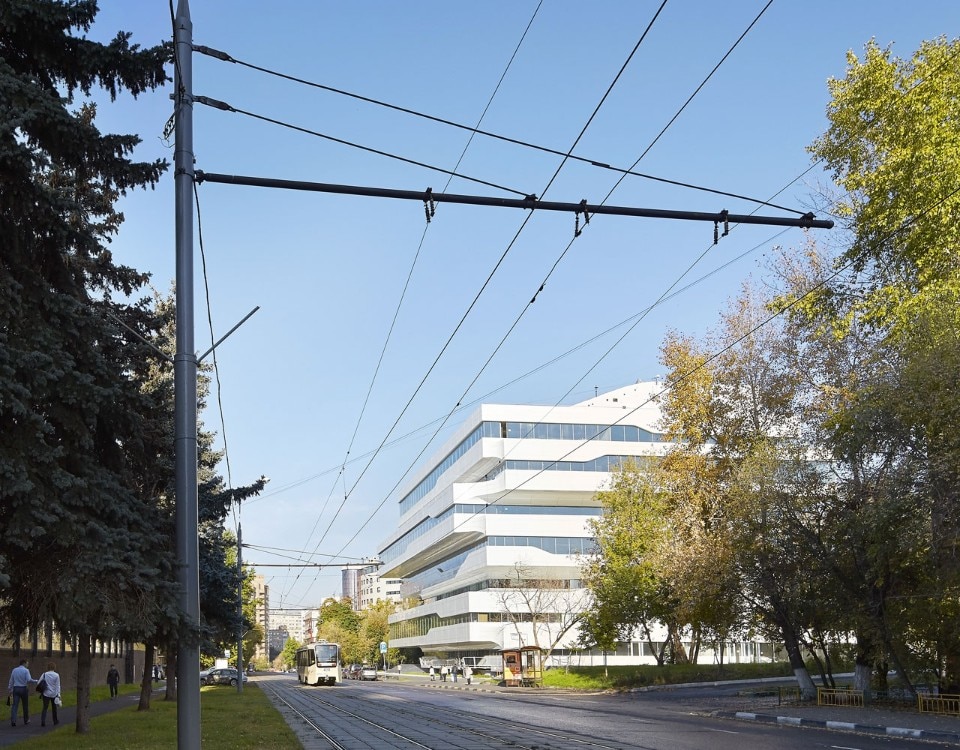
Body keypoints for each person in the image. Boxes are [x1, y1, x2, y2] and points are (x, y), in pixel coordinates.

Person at [7, 658, 37, 727]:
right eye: (27, 663)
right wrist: (36, 681)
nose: (28, 664)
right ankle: (26, 720)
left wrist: (10, 689)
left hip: (16, 688)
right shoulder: (26, 670)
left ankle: (13, 721)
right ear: (24, 663)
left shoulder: (14, 670)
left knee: (14, 706)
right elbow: (29, 680)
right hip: (24, 688)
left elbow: (11, 680)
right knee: (25, 705)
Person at [38, 661, 60, 727]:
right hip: (54, 694)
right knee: (54, 708)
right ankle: (55, 721)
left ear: (48, 667)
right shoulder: (57, 675)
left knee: (45, 707)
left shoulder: (44, 674)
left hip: (46, 694)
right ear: (54, 667)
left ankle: (43, 721)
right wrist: (58, 695)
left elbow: (39, 682)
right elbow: (58, 685)